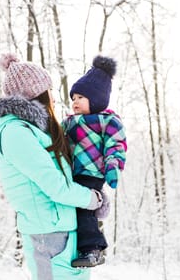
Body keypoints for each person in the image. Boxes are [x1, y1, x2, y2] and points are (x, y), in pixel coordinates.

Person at [0, 54, 104, 280]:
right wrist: (92, 199)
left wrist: (96, 198)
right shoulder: (15, 133)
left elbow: (67, 179)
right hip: (48, 235)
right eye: (50, 90)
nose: (54, 97)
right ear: (38, 94)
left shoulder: (38, 131)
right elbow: (55, 186)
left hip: (66, 231)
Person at [62, 55, 127, 268]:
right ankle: (79, 246)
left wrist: (112, 167)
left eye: (81, 97)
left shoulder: (108, 121)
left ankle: (93, 250)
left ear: (97, 99)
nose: (75, 102)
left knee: (84, 209)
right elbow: (54, 136)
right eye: (73, 98)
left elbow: (115, 146)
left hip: (92, 173)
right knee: (73, 210)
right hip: (71, 173)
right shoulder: (70, 122)